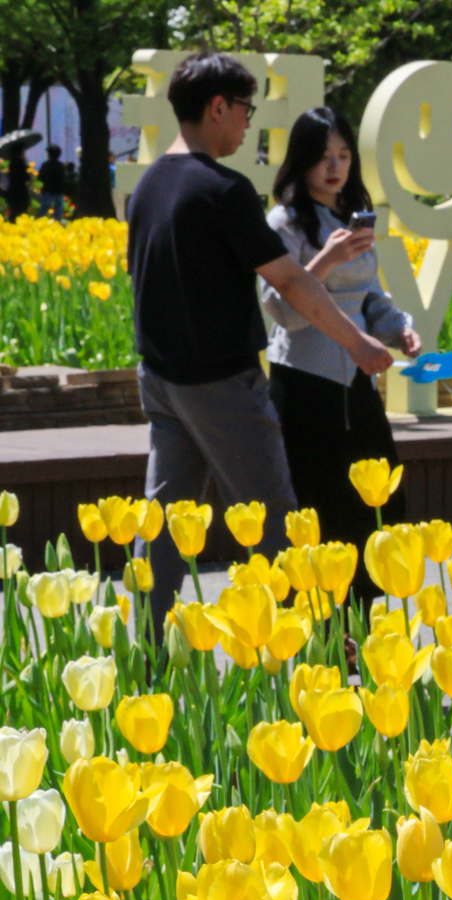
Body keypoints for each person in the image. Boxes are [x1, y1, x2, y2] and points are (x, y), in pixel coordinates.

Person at [124, 52, 393, 637]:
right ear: (217, 107)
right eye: (245, 110)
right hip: (222, 385)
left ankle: (143, 654)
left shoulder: (147, 187)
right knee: (279, 530)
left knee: (165, 528)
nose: (248, 124)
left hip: (162, 382)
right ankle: (308, 661)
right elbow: (292, 283)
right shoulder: (223, 190)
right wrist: (359, 344)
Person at [261, 107, 421, 604]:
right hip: (305, 384)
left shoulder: (353, 218)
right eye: (323, 157)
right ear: (300, 162)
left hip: (358, 383)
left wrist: (400, 329)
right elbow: (280, 312)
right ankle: (319, 628)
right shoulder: (283, 222)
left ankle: (363, 621)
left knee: (374, 508)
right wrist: (326, 258)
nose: (335, 167)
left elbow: (370, 296)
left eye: (343, 155)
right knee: (318, 507)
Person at [36, 147, 66, 220]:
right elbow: (64, 179)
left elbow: (40, 177)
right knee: (58, 215)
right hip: (59, 192)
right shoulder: (60, 166)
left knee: (43, 213)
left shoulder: (45, 165)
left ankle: (41, 227)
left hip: (47, 191)